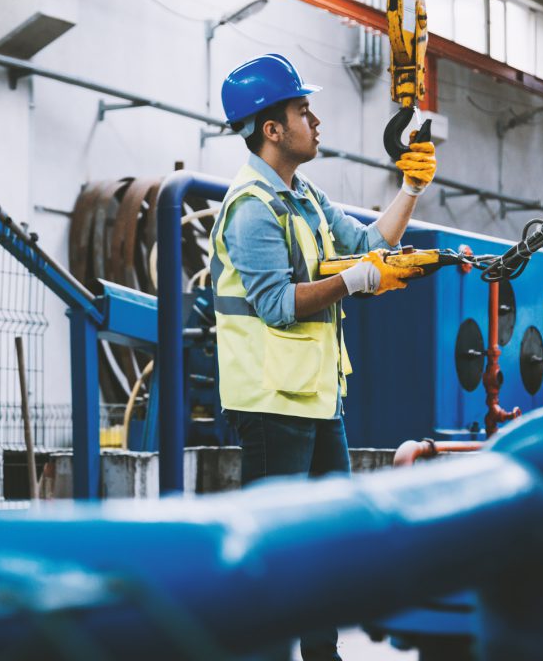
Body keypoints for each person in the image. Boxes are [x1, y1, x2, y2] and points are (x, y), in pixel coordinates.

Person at [209, 54, 435, 661]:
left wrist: (411, 190)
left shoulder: (303, 197)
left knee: (328, 542)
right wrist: (355, 281)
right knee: (278, 548)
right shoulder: (252, 207)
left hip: (314, 399)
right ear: (271, 129)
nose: (315, 121)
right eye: (302, 111)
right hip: (269, 404)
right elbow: (279, 304)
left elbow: (368, 243)